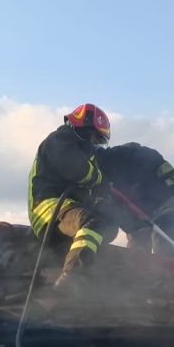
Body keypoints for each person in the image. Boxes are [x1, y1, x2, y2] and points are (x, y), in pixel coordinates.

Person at [27, 103, 124, 289]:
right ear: (84, 128)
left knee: (108, 225)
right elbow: (76, 169)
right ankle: (71, 279)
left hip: (65, 208)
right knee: (92, 221)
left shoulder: (83, 153)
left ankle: (84, 270)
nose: (95, 143)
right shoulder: (59, 140)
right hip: (46, 206)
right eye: (96, 137)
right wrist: (100, 181)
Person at [95, 142, 174, 257]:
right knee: (136, 255)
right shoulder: (99, 177)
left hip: (163, 208)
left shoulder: (133, 154)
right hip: (136, 217)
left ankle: (172, 274)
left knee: (165, 252)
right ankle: (139, 274)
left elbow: (166, 171)